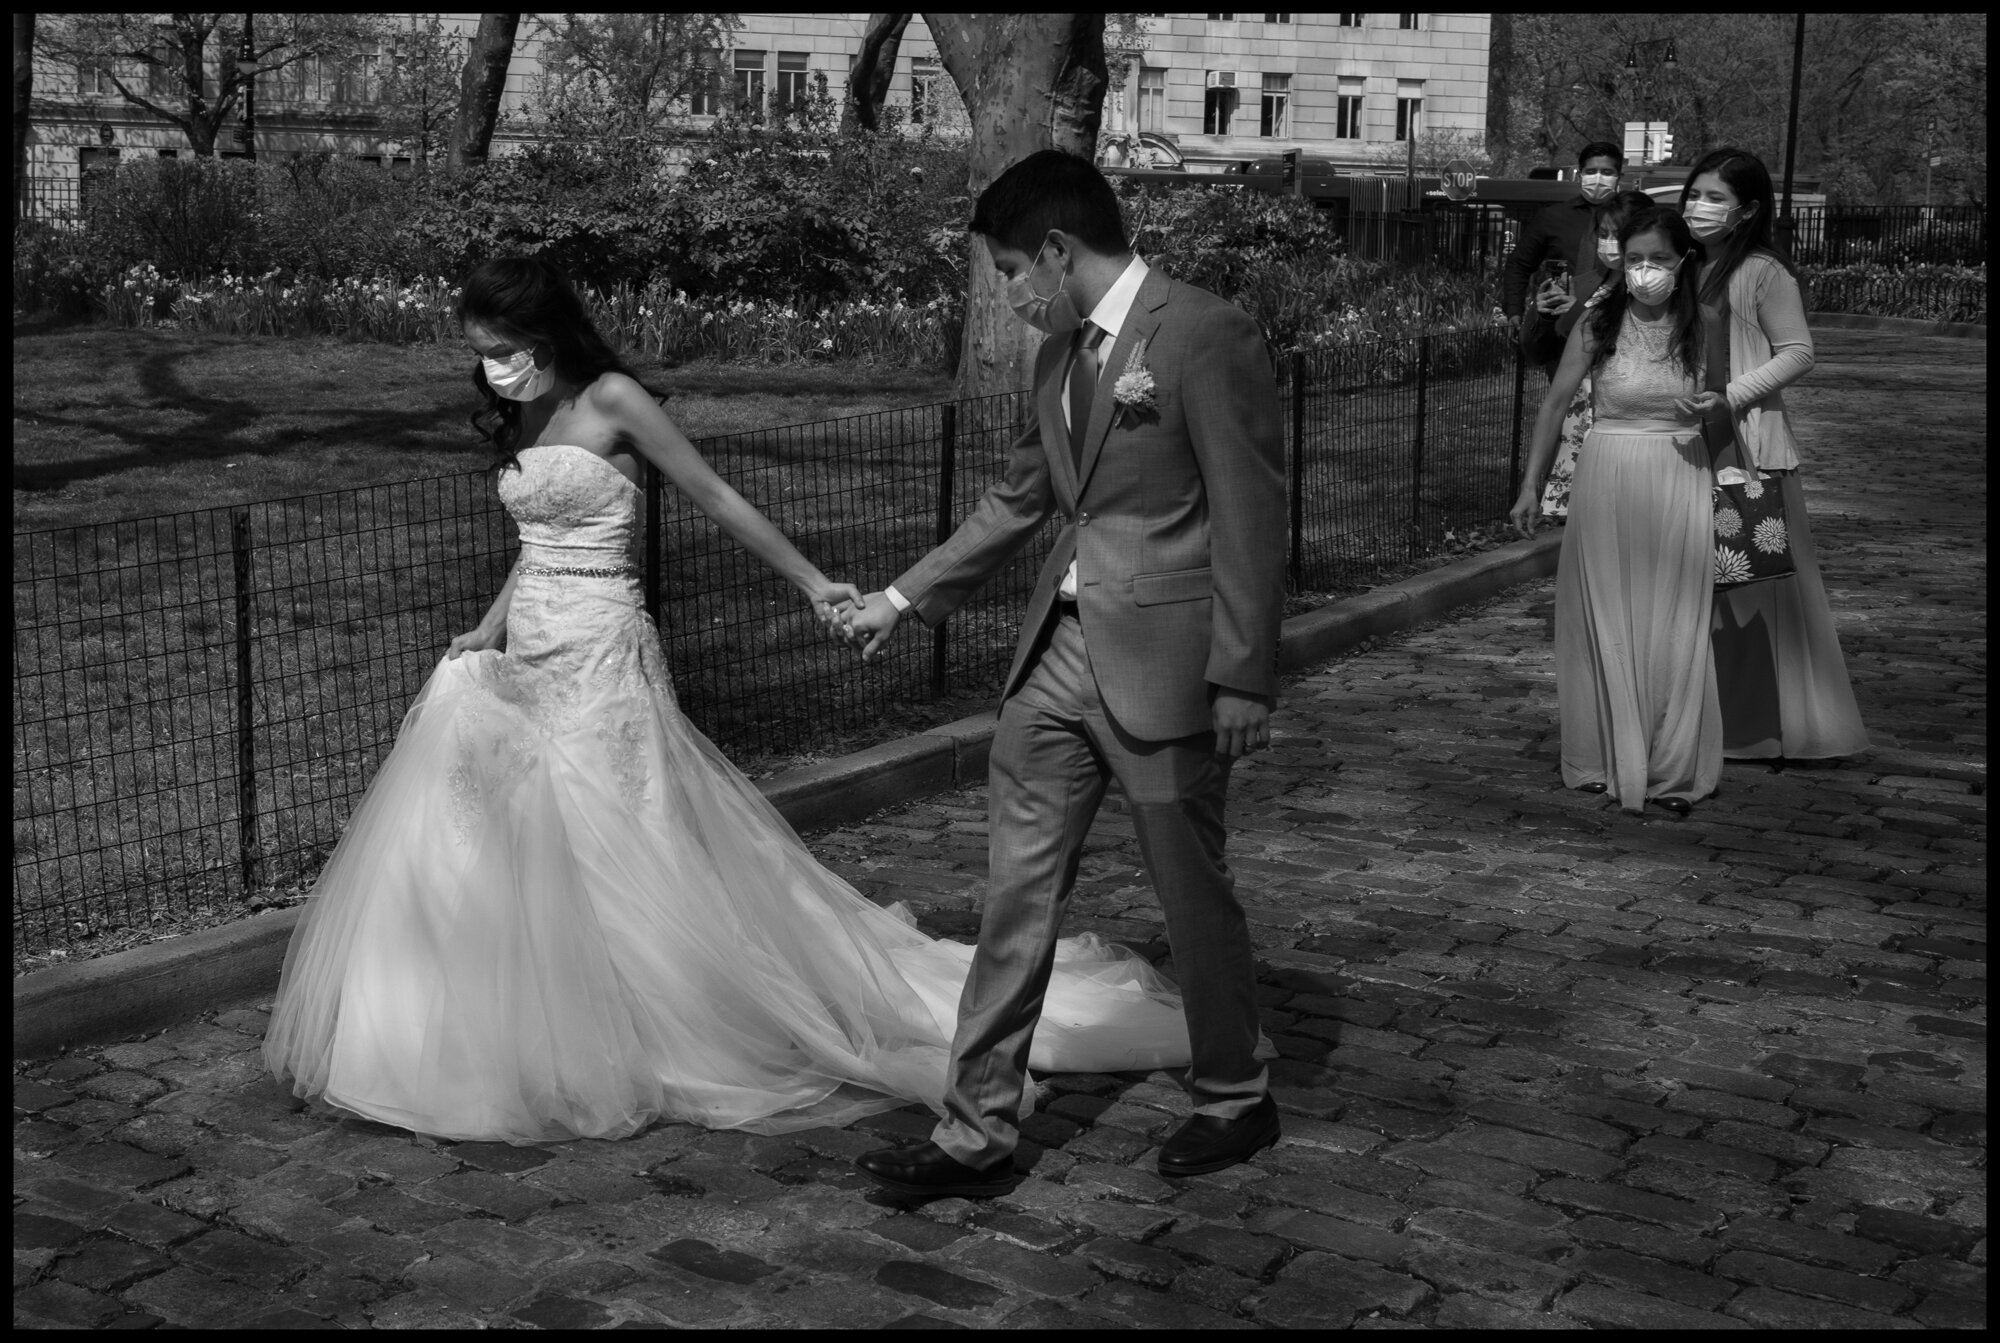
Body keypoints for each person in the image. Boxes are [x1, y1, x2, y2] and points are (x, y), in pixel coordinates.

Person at [262, 256, 1198, 1144]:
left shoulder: (612, 400)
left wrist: (808, 579)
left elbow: (712, 493)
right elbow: (536, 541)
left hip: (600, 648)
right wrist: (486, 627)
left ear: (543, 333)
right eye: (481, 350)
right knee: (501, 824)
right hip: (534, 638)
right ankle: (499, 1024)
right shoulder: (525, 418)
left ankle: (649, 1019)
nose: (493, 368)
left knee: (616, 830)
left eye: (504, 346)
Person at [835, 149, 1289, 1198]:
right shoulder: (1056, 362)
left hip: (1170, 666)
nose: (1007, 295)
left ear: (1054, 249)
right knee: (1013, 896)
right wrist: (899, 599)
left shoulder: (1203, 333)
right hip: (1054, 657)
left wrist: (1244, 673)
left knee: (1190, 892)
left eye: (1007, 271)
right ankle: (973, 1130)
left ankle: (1232, 1090)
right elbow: (1015, 502)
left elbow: (1250, 515)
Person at [1511, 206, 1724, 817]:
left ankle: (1670, 764)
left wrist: (1718, 408)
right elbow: (1553, 407)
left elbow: (1729, 403)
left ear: (1683, 260)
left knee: (1675, 618)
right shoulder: (1596, 323)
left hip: (1679, 474)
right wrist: (1531, 486)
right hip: (1606, 474)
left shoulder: (1707, 323)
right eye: (1634, 259)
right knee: (1608, 615)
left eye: (1657, 258)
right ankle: (1610, 756)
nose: (1645, 270)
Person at [1680, 147, 1868, 761]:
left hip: (1747, 448)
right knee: (1695, 590)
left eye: (1715, 198)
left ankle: (1775, 728)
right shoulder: (1682, 264)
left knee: (1758, 589)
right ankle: (1709, 722)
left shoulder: (1763, 272)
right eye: (1695, 192)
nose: (1698, 207)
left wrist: (1731, 395)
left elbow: (1799, 352)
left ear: (1748, 210)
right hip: (1683, 445)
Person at [1538, 189, 1656, 521]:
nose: (1608, 243)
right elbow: (1542, 349)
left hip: (1626, 425)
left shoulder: (1653, 291)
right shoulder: (1588, 283)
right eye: (1602, 234)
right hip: (1579, 418)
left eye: (1616, 235)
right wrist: (1544, 315)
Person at [1504, 141, 1627, 377]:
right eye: (1591, 172)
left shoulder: (1635, 216)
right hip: (1564, 330)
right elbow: (1519, 263)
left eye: (1607, 172)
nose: (1598, 178)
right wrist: (1514, 310)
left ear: (1618, 176)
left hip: (1615, 328)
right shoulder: (1553, 217)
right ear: (1580, 175)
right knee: (1568, 406)